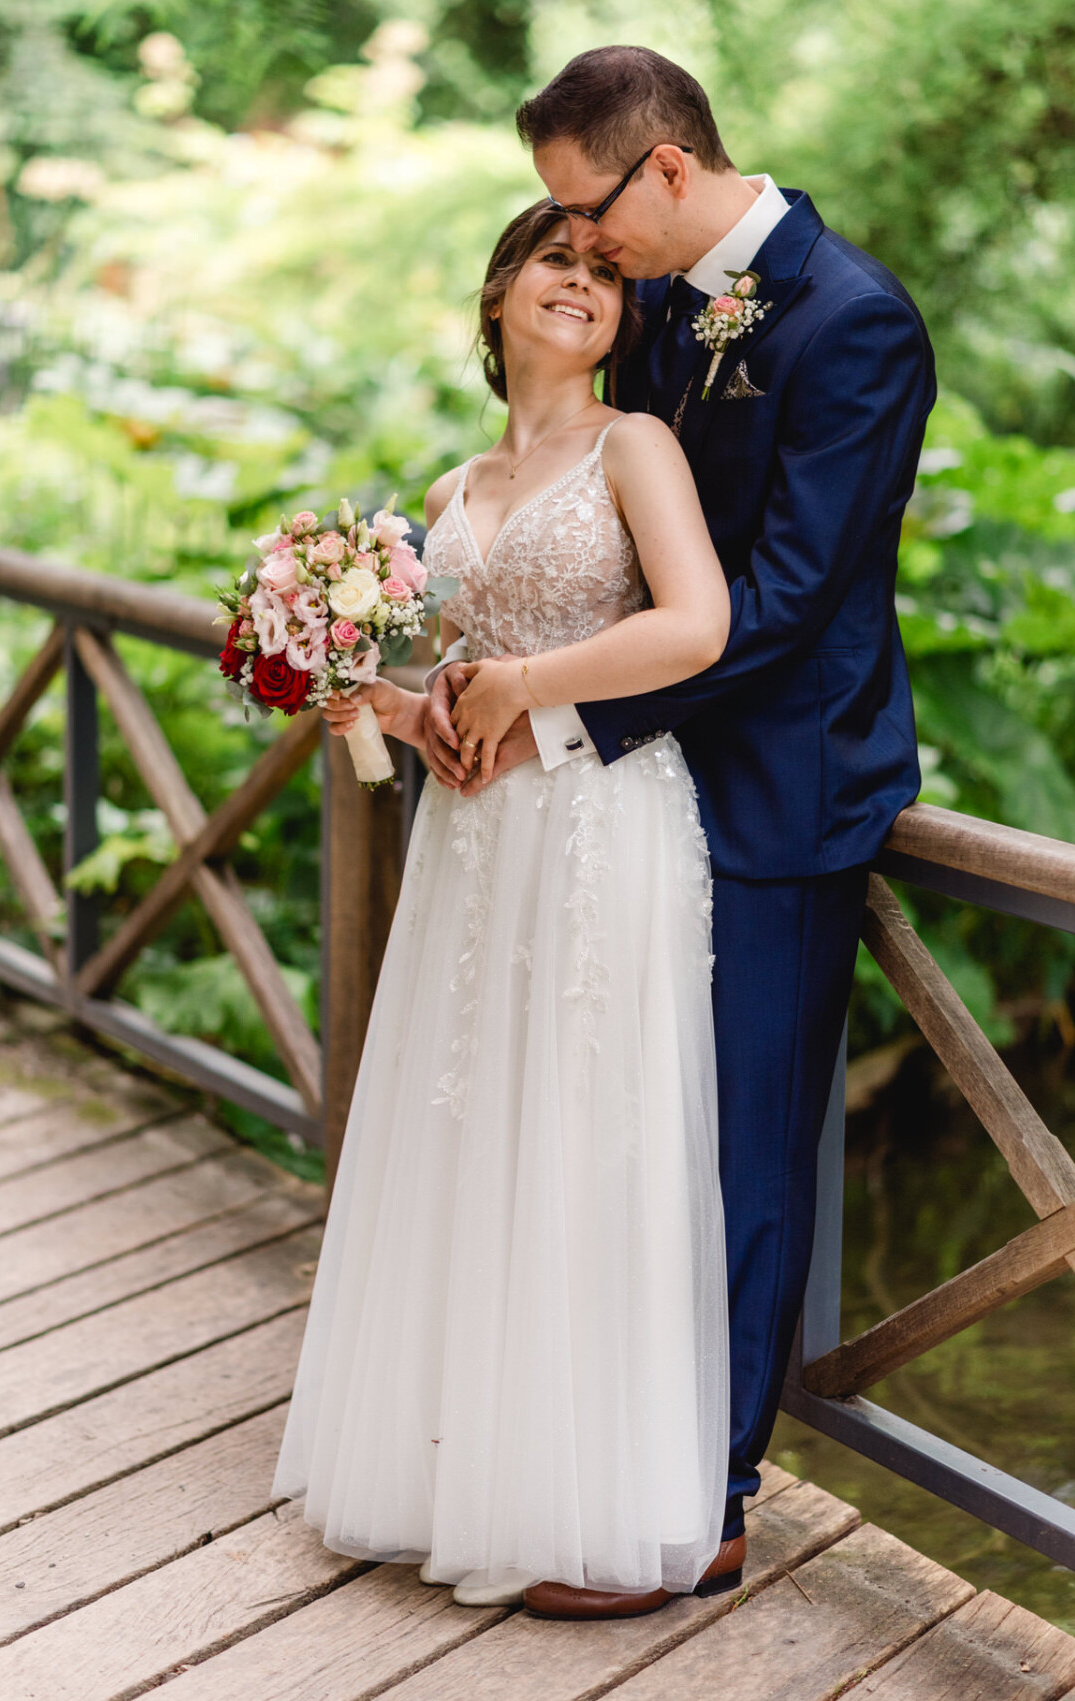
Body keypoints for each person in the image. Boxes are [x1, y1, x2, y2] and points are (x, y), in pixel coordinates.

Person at [425, 47, 936, 1618]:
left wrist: (560, 713)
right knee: (627, 1136)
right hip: (628, 805)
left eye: (585, 206)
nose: (577, 242)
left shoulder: (856, 323)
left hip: (782, 797)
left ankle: (704, 1504)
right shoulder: (657, 296)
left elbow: (783, 603)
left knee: (743, 1152)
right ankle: (585, 1452)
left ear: (658, 171)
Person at [273, 200, 741, 1619]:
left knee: (585, 1130)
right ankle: (456, 1468)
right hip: (477, 839)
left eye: (606, 272)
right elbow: (462, 682)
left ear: (625, 318)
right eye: (558, 261)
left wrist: (530, 691)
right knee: (473, 1125)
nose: (583, 284)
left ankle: (591, 1505)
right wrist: (393, 705)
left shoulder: (635, 447)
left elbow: (699, 622)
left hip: (601, 823)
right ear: (499, 296)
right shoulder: (449, 487)